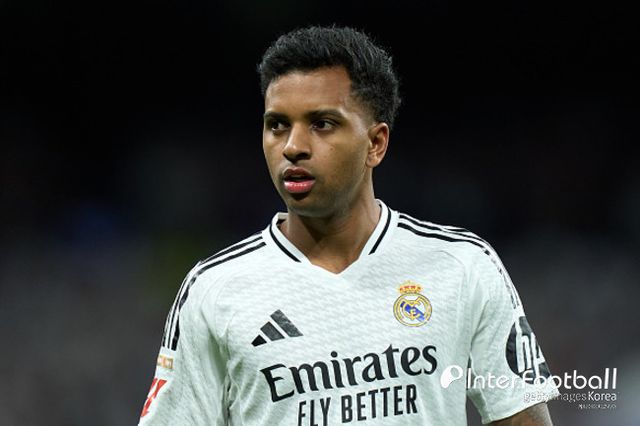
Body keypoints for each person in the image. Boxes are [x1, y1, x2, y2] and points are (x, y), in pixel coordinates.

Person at [138, 26, 559, 425]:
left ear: (375, 143)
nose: (293, 146)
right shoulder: (214, 289)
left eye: (322, 124)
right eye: (277, 125)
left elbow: (522, 417)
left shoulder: (462, 266)